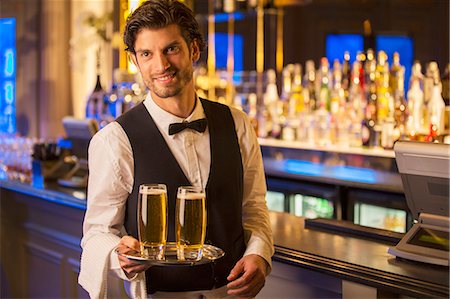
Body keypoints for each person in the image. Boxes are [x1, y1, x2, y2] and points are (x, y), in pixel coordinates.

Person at [78, 0, 274, 298]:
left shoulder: (237, 123)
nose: (161, 65)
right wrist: (118, 254)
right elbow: (96, 233)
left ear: (194, 50)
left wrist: (259, 254)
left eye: (171, 49)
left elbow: (254, 208)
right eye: (147, 54)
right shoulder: (114, 139)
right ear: (135, 60)